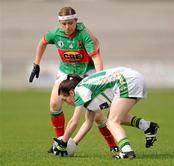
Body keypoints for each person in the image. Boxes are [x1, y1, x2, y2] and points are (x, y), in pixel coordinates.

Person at [29, 6, 118, 155]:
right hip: (66, 72)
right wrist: (36, 64)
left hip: (86, 73)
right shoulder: (56, 34)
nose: (67, 27)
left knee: (97, 116)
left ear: (76, 21)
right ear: (60, 23)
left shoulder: (84, 35)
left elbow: (96, 57)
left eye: (70, 23)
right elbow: (42, 41)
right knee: (54, 103)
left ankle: (112, 145)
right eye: (64, 24)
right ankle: (60, 142)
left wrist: (100, 77)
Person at [53, 67, 159, 159]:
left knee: (112, 122)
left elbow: (74, 122)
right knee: (113, 117)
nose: (65, 103)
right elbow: (87, 124)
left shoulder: (80, 91)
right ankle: (147, 126)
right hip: (134, 78)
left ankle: (127, 151)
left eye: (64, 99)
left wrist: (63, 142)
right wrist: (72, 144)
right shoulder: (87, 95)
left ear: (71, 92)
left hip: (128, 80)